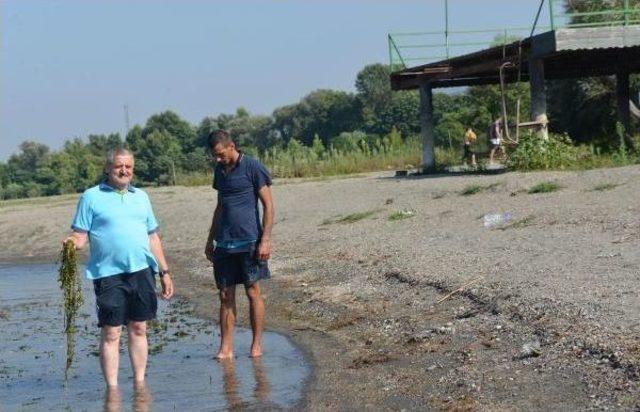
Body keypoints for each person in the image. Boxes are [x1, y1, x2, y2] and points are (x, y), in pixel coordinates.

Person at [64, 147, 174, 388]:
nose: (124, 170)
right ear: (108, 169)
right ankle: (112, 390)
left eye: (128, 167)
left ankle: (139, 383)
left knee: (138, 327)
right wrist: (71, 243)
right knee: (112, 332)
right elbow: (80, 235)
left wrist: (164, 272)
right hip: (107, 273)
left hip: (143, 270)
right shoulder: (91, 196)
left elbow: (153, 237)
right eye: (119, 166)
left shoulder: (141, 196)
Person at [204, 129, 274, 360]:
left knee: (253, 291)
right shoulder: (219, 171)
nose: (217, 159)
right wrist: (210, 239)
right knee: (225, 295)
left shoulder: (253, 167)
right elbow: (220, 206)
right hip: (224, 243)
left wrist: (265, 240)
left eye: (220, 154)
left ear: (231, 146)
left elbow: (269, 206)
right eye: (214, 155)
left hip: (250, 241)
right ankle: (226, 348)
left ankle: (256, 345)